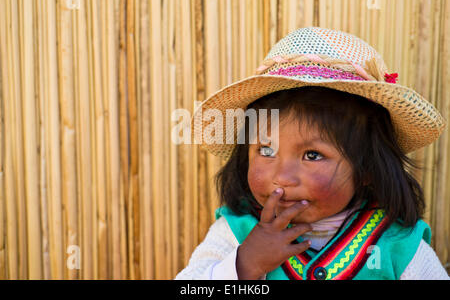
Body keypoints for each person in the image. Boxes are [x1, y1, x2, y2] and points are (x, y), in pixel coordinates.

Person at [175, 27, 449, 280]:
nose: (282, 177)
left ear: (366, 168)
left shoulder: (396, 244)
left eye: (312, 155)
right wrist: (245, 265)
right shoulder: (237, 234)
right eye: (266, 150)